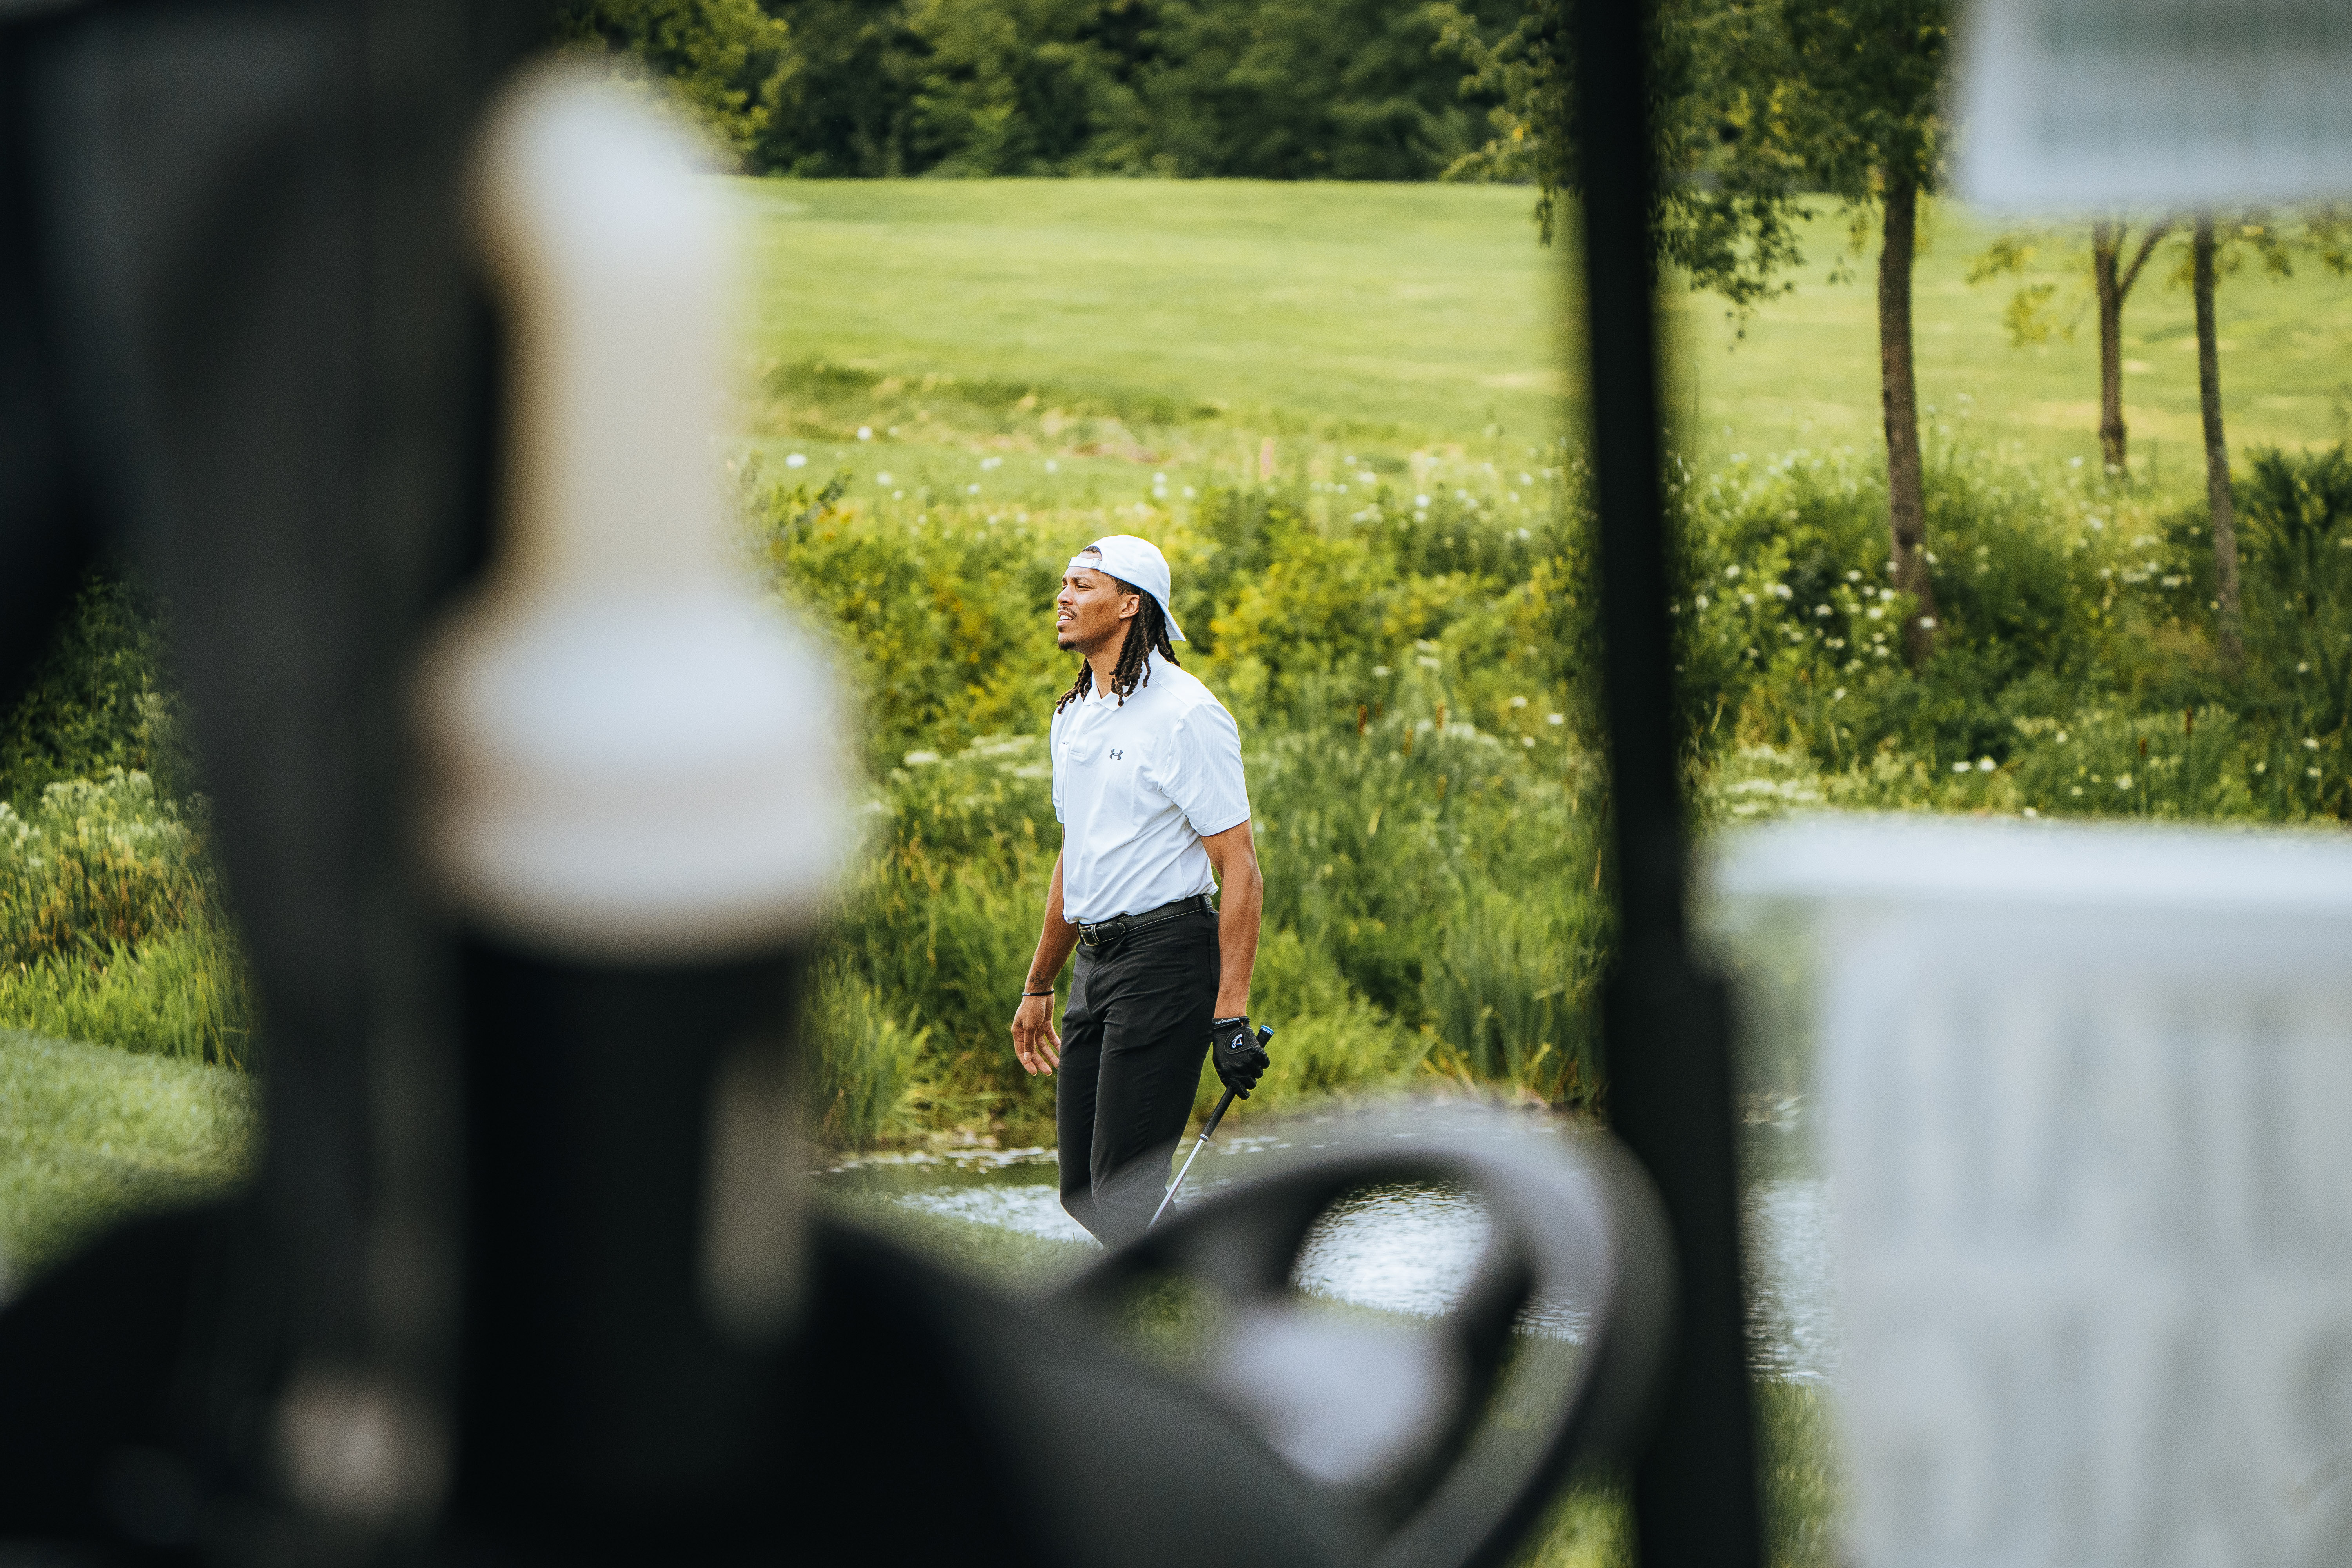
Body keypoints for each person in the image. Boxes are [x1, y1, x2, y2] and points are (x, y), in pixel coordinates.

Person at [1009, 536, 1270, 1244]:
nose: (1062, 597)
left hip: (1167, 958)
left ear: (1130, 604)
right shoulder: (1074, 715)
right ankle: (1190, 1308)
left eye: (1082, 585)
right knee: (1084, 1193)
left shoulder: (1186, 713)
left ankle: (1208, 1325)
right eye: (1063, 582)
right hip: (1097, 964)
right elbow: (1078, 855)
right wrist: (1040, 985)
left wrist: (1231, 1016)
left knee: (1125, 1192)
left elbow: (1240, 869)